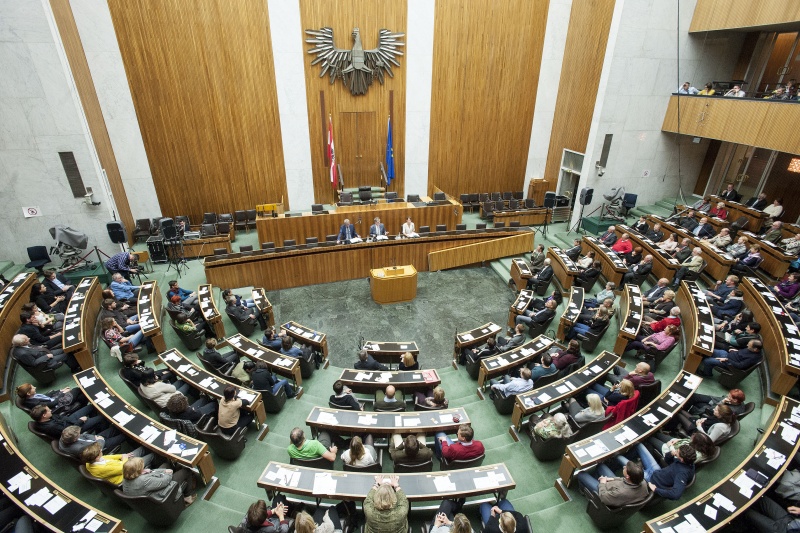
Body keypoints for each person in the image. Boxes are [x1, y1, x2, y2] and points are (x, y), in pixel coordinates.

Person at [616, 443, 695, 500]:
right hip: (656, 471)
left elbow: (676, 494)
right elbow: (667, 460)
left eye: (677, 452)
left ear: (681, 459)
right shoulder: (687, 462)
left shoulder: (682, 473)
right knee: (639, 445)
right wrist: (671, 453)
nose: (675, 451)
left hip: (649, 480)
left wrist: (656, 489)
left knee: (619, 457)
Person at [122, 456, 196, 507]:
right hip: (163, 494)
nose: (143, 467)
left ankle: (176, 469)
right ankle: (187, 497)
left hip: (149, 492)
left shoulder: (126, 478)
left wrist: (163, 471)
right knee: (186, 470)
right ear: (137, 471)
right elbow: (165, 482)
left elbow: (151, 475)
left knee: (166, 465)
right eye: (141, 467)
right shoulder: (143, 481)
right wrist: (168, 473)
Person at [576, 460, 649, 507]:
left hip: (606, 492)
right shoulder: (642, 481)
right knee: (601, 466)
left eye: (625, 468)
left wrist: (602, 483)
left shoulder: (621, 493)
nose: (623, 467)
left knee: (581, 474)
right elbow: (624, 480)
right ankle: (594, 480)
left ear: (628, 476)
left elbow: (604, 497)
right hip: (617, 487)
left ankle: (583, 490)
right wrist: (612, 479)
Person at [81, 442, 154, 486]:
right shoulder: (101, 469)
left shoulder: (90, 461)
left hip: (122, 463)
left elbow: (107, 457)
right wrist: (125, 458)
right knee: (152, 456)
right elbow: (123, 468)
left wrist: (122, 455)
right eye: (100, 451)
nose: (101, 450)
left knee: (142, 448)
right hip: (126, 473)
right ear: (97, 457)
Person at [11, 333, 78, 372]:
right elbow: (33, 363)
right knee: (66, 355)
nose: (29, 338)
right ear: (22, 343)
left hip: (45, 352)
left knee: (65, 349)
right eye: (27, 339)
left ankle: (74, 364)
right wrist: (46, 356)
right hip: (46, 361)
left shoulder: (23, 345)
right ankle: (75, 368)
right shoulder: (23, 354)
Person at [29, 404, 104, 438]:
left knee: (91, 406)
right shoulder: (52, 427)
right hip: (75, 428)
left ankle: (96, 425)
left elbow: (60, 417)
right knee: (102, 417)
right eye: (48, 411)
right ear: (44, 416)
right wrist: (80, 421)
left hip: (69, 420)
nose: (51, 410)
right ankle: (101, 431)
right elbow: (70, 431)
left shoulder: (45, 418)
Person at [698, 339, 763, 377]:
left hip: (729, 364)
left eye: (749, 345)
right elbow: (743, 354)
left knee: (708, 361)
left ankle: (707, 373)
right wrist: (737, 351)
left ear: (755, 349)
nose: (747, 345)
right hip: (727, 355)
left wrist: (727, 360)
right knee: (710, 350)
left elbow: (740, 366)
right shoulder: (752, 349)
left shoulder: (752, 358)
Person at [59, 424, 127, 457]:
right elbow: (95, 450)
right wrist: (100, 440)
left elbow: (84, 435)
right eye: (78, 434)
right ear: (74, 439)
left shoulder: (65, 435)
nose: (80, 434)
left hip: (95, 439)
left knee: (115, 427)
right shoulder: (78, 449)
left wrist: (95, 437)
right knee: (124, 435)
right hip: (99, 446)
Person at [15, 382, 86, 414]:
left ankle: (83, 406)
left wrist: (60, 390)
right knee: (76, 390)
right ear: (28, 393)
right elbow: (53, 404)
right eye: (33, 388)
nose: (35, 387)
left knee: (82, 396)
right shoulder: (35, 403)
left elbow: (46, 396)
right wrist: (63, 393)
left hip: (55, 399)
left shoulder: (32, 396)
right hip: (58, 406)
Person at [649, 432, 715, 464]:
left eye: (693, 438)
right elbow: (689, 440)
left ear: (697, 443)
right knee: (657, 433)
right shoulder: (704, 444)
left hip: (672, 451)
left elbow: (677, 456)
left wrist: (670, 446)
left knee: (650, 438)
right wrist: (679, 440)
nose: (691, 437)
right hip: (678, 444)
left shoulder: (695, 455)